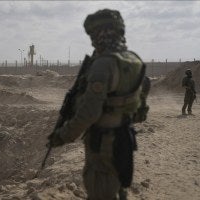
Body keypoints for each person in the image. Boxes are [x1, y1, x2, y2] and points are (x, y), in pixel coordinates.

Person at [47, 9, 150, 200]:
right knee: (117, 189)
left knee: (101, 190)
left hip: (104, 143)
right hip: (124, 136)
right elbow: (140, 102)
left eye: (94, 34)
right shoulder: (133, 59)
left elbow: (90, 113)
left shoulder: (104, 64)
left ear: (102, 32)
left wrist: (62, 135)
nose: (93, 40)